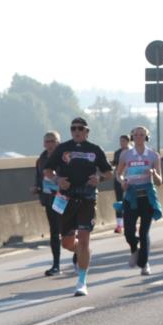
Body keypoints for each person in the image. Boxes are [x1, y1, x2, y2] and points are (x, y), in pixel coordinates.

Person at [43, 117, 114, 296]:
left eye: (80, 128)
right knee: (66, 242)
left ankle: (81, 281)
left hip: (87, 198)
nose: (76, 131)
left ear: (87, 131)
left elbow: (109, 172)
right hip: (66, 198)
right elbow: (47, 171)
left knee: (84, 239)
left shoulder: (95, 150)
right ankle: (82, 253)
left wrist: (100, 179)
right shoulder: (62, 148)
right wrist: (58, 179)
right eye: (73, 128)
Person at [115, 126, 163, 276]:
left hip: (147, 196)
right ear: (132, 137)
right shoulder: (126, 154)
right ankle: (134, 250)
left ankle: (144, 263)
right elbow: (118, 173)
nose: (139, 137)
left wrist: (154, 173)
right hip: (131, 196)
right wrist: (122, 181)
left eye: (142, 135)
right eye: (136, 135)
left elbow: (160, 181)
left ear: (147, 137)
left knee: (144, 232)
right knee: (128, 231)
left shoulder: (153, 156)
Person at [32, 131, 64, 275]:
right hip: (50, 200)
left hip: (65, 198)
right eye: (48, 141)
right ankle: (56, 264)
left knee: (68, 233)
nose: (50, 144)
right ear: (44, 144)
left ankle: (78, 255)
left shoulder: (65, 157)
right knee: (54, 232)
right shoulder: (41, 159)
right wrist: (37, 189)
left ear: (59, 142)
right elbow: (39, 178)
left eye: (53, 141)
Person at [110, 135, 130, 234]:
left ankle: (129, 223)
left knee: (129, 201)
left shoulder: (132, 152)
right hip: (118, 180)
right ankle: (119, 225)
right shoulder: (117, 152)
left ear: (128, 141)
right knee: (119, 202)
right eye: (120, 141)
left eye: (123, 141)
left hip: (130, 180)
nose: (121, 143)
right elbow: (115, 163)